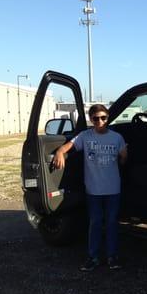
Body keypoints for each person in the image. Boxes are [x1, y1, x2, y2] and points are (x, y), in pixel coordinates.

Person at [53, 104, 127, 271]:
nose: (100, 121)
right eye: (95, 118)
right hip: (93, 189)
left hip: (113, 189)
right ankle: (93, 257)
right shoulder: (84, 136)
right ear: (91, 119)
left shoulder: (117, 138)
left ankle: (112, 257)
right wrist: (59, 152)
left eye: (103, 118)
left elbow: (123, 159)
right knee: (94, 223)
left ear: (108, 118)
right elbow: (68, 146)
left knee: (111, 223)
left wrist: (124, 157)